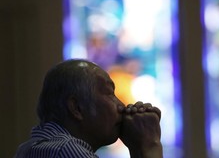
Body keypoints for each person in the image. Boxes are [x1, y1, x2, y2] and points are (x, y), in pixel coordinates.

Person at [14, 59, 162, 158]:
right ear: (76, 107)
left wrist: (138, 149)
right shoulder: (65, 150)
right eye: (109, 93)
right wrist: (150, 145)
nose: (122, 106)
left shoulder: (28, 148)